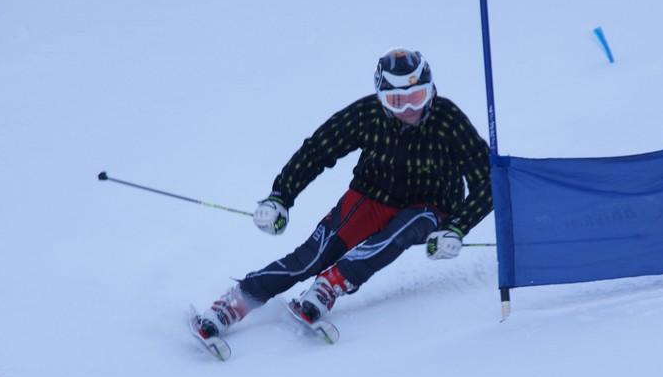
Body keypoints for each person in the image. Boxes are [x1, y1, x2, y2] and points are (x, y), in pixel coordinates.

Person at [193, 48, 493, 339]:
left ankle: (330, 285)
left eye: (417, 97)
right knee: (314, 255)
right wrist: (280, 196)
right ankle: (236, 302)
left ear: (431, 90)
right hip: (372, 195)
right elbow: (319, 149)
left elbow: (488, 181)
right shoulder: (367, 114)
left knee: (404, 229)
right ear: (381, 97)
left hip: (430, 206)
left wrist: (457, 227)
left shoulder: (448, 119)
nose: (409, 110)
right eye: (397, 101)